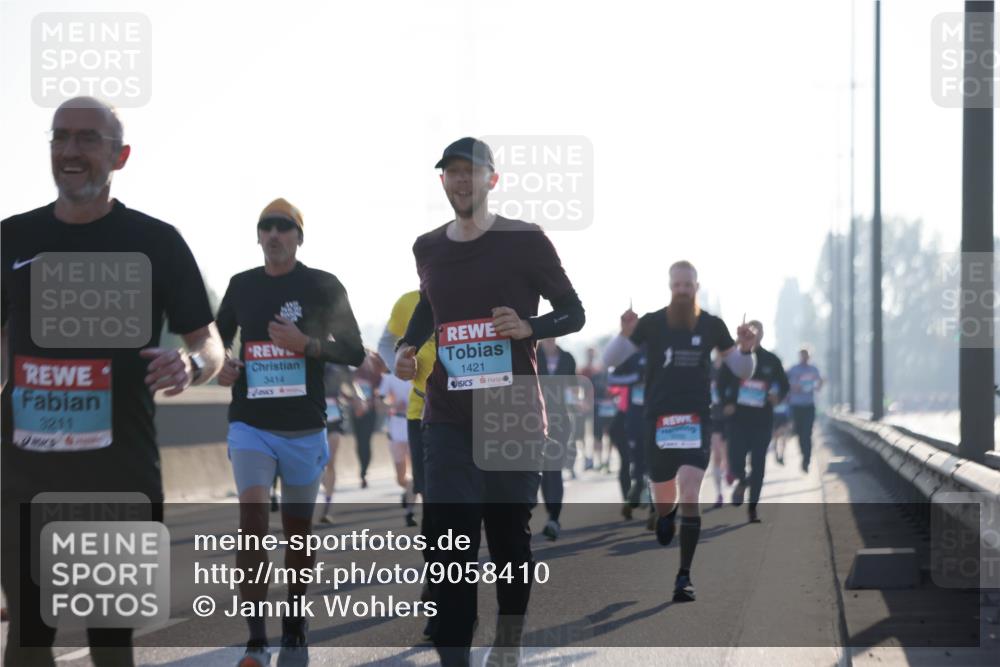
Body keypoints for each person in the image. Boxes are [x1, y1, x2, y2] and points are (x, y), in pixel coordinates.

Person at [1, 96, 225, 667]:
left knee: (109, 645)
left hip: (118, 476)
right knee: (27, 640)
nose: (70, 151)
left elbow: (207, 341)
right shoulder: (12, 239)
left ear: (119, 156)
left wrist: (191, 365)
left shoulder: (155, 241)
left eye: (87, 139)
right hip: (24, 478)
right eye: (60, 137)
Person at [394, 137, 585, 666]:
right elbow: (430, 310)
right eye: (452, 173)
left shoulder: (525, 241)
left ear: (492, 180)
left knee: (507, 546)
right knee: (450, 545)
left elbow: (574, 312)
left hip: (513, 417)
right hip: (447, 418)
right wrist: (408, 349)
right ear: (443, 182)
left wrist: (530, 326)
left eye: (471, 172)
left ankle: (508, 642)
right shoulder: (427, 247)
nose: (461, 180)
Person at [215, 197, 365, 667]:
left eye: (284, 227)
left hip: (303, 427)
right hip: (250, 424)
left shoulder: (322, 285)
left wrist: (308, 344)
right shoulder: (241, 285)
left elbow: (356, 351)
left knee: (297, 533)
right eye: (267, 227)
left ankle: (295, 623)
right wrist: (222, 365)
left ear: (299, 237)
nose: (275, 234)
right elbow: (214, 342)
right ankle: (256, 637)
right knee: (253, 522)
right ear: (258, 237)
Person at [603, 261, 755, 602]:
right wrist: (624, 334)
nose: (682, 291)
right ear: (670, 287)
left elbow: (742, 370)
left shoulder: (712, 325)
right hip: (658, 420)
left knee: (689, 491)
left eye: (688, 285)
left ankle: (683, 576)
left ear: (696, 286)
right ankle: (663, 515)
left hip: (697, 419)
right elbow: (611, 359)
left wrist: (746, 349)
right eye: (677, 286)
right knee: (664, 497)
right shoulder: (653, 323)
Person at [717, 321, 789, 524]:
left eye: (758, 332)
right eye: (750, 331)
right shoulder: (733, 359)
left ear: (762, 335)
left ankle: (753, 509)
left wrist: (777, 395)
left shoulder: (771, 360)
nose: (753, 335)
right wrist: (727, 403)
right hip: (737, 419)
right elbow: (720, 385)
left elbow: (784, 385)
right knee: (735, 460)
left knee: (758, 464)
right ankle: (742, 480)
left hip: (762, 419)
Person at [536, 337, 577, 540]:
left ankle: (554, 517)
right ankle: (551, 513)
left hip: (561, 419)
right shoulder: (533, 355)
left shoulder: (567, 358)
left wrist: (579, 403)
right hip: (534, 419)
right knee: (544, 468)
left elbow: (573, 387)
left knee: (554, 467)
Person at [378, 365, 417, 526]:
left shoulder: (419, 373)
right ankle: (408, 490)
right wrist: (393, 406)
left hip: (415, 424)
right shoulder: (389, 378)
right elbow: (379, 403)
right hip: (396, 427)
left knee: (416, 472)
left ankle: (410, 511)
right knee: (401, 478)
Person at [317, 363, 352, 523]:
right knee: (316, 463)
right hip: (314, 417)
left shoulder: (339, 363)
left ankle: (326, 507)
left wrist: (357, 398)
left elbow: (350, 384)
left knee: (330, 462)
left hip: (334, 417)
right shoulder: (308, 356)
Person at [786, 347, 823, 473]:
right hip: (796, 406)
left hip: (809, 405)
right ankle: (803, 454)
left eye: (806, 355)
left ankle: (807, 459)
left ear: (809, 356)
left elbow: (818, 385)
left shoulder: (814, 369)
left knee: (807, 432)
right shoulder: (793, 369)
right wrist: (793, 387)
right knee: (799, 433)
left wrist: (819, 383)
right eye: (802, 355)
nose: (804, 357)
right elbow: (785, 383)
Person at [708, 354, 729, 507]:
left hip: (729, 417)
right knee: (716, 455)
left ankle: (730, 472)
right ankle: (719, 493)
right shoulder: (707, 366)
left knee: (727, 456)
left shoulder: (731, 368)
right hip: (713, 415)